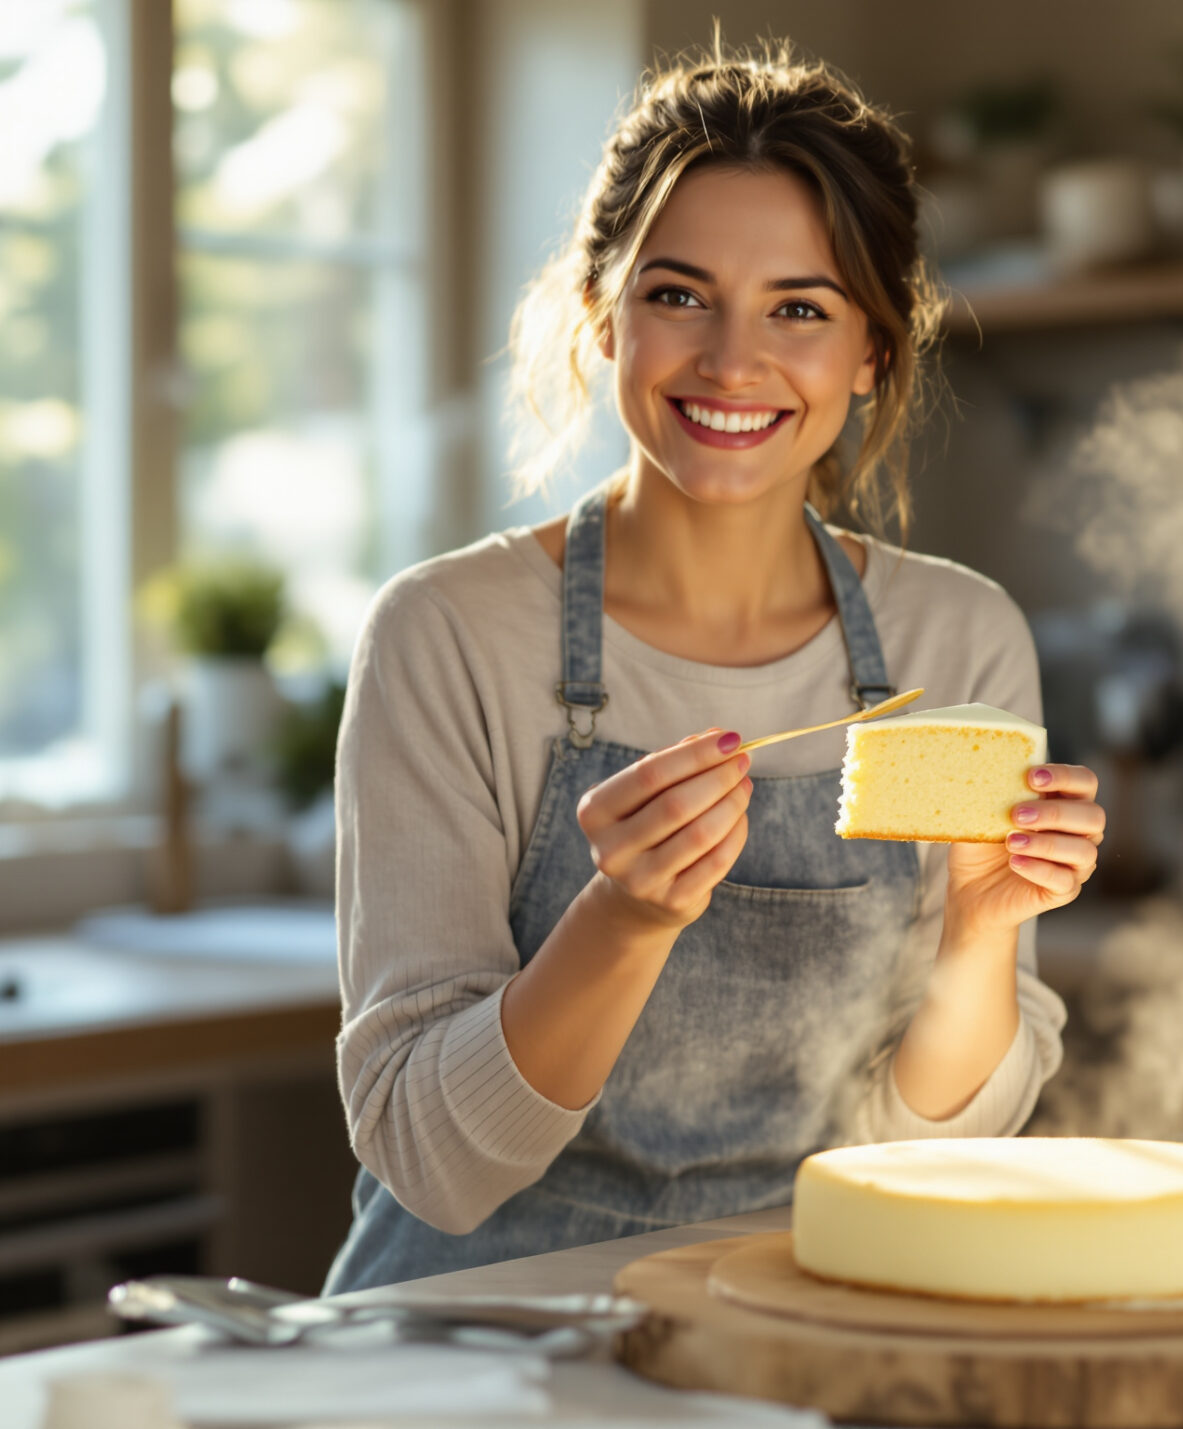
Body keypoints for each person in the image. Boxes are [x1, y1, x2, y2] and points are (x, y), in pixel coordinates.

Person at [323, 44, 1103, 1294]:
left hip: (803, 1318)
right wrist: (620, 921)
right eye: (679, 295)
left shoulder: (958, 641)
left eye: (799, 308)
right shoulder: (449, 633)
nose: (733, 362)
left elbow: (929, 1152)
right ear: (601, 311)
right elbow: (433, 1159)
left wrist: (976, 937)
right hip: (474, 1342)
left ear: (873, 354)